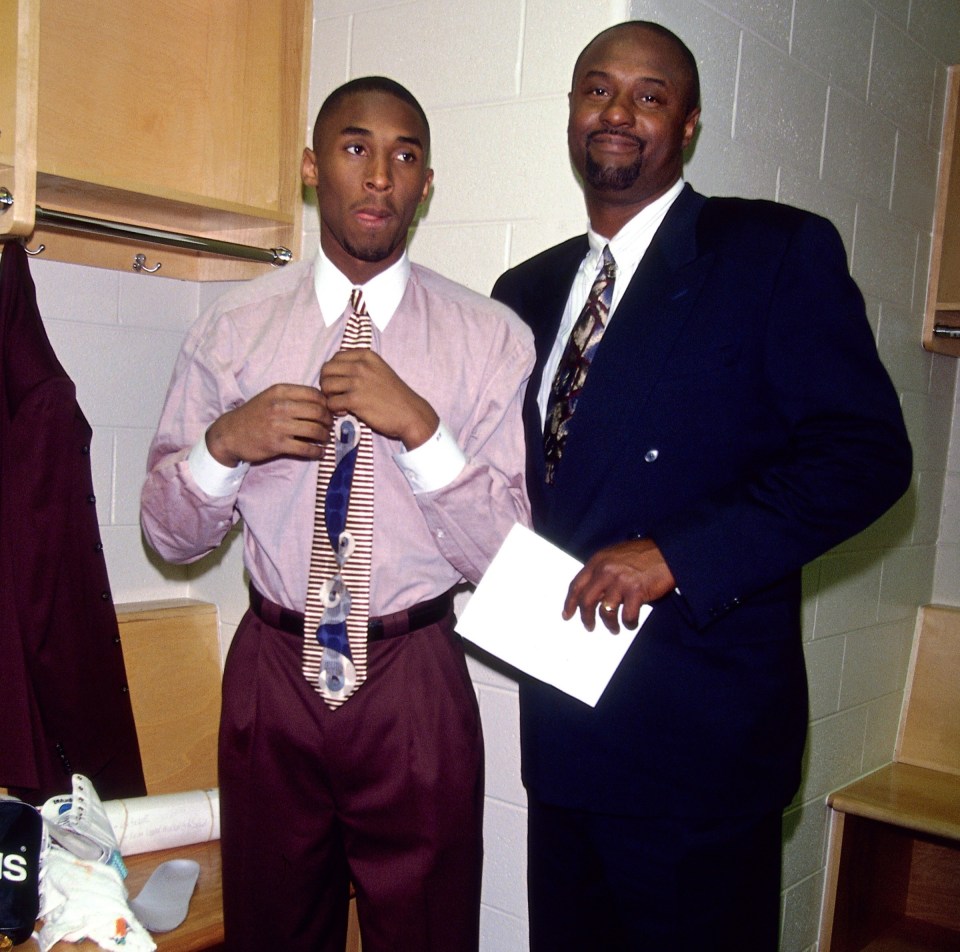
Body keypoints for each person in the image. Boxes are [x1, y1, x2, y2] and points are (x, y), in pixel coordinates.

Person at [491, 21, 912, 952]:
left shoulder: (770, 253)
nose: (619, 112)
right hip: (563, 729)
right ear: (571, 111)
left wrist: (678, 553)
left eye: (650, 95)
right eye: (598, 88)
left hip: (700, 748)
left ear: (687, 126)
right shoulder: (522, 291)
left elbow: (866, 454)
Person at [141, 76, 533, 952]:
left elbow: (507, 560)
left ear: (427, 184)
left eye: (405, 156)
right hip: (272, 677)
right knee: (271, 932)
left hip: (416, 682)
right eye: (356, 149)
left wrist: (423, 431)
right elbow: (167, 533)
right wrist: (224, 442)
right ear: (314, 170)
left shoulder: (491, 338)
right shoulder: (230, 330)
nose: (380, 176)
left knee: (428, 933)